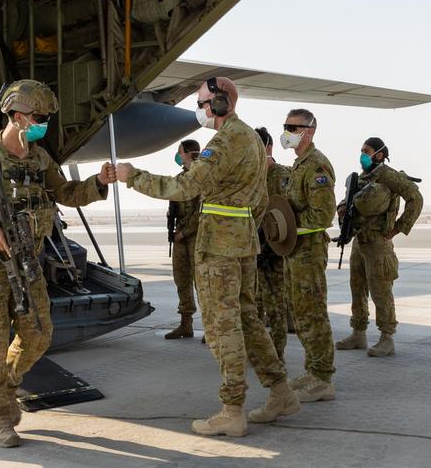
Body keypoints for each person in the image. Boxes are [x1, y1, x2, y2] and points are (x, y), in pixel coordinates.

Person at [115, 77, 298, 437]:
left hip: (219, 250)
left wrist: (133, 176)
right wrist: (242, 228)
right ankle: (280, 392)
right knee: (247, 320)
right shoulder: (250, 139)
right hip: (242, 244)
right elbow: (260, 201)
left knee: (222, 327)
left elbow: (184, 187)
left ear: (220, 103)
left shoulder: (226, 140)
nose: (199, 109)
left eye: (202, 103)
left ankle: (232, 410)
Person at [0, 79, 116, 448]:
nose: (43, 123)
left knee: (38, 335)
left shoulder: (39, 159)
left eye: (47, 118)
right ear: (17, 115)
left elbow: (65, 194)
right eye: (38, 117)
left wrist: (97, 183)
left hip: (28, 262)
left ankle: (7, 384)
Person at [335, 137, 423, 357]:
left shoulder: (388, 176)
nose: (363, 155)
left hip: (378, 243)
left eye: (367, 151)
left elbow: (415, 197)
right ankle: (358, 333)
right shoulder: (363, 178)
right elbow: (349, 201)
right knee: (357, 288)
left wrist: (400, 226)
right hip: (359, 240)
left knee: (380, 291)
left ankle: (387, 338)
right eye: (362, 150)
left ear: (380, 155)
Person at [276, 108, 337, 402]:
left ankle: (324, 378)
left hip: (309, 251)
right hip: (295, 251)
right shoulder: (299, 164)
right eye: (285, 125)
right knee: (299, 312)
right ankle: (312, 370)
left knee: (313, 312)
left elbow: (323, 215)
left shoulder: (316, 166)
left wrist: (290, 226)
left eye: (292, 126)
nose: (286, 131)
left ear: (308, 131)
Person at [256, 127, 292, 361]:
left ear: (268, 148)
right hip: (255, 252)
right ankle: (259, 351)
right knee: (255, 304)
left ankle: (277, 352)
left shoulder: (283, 176)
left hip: (277, 253)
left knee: (276, 306)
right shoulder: (251, 177)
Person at [165, 139, 202, 340]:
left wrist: (184, 232)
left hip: (196, 236)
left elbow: (201, 212)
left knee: (201, 282)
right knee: (182, 279)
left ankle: (210, 328)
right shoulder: (179, 179)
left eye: (180, 152)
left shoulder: (201, 178)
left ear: (188, 153)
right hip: (180, 236)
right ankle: (185, 324)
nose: (179, 156)